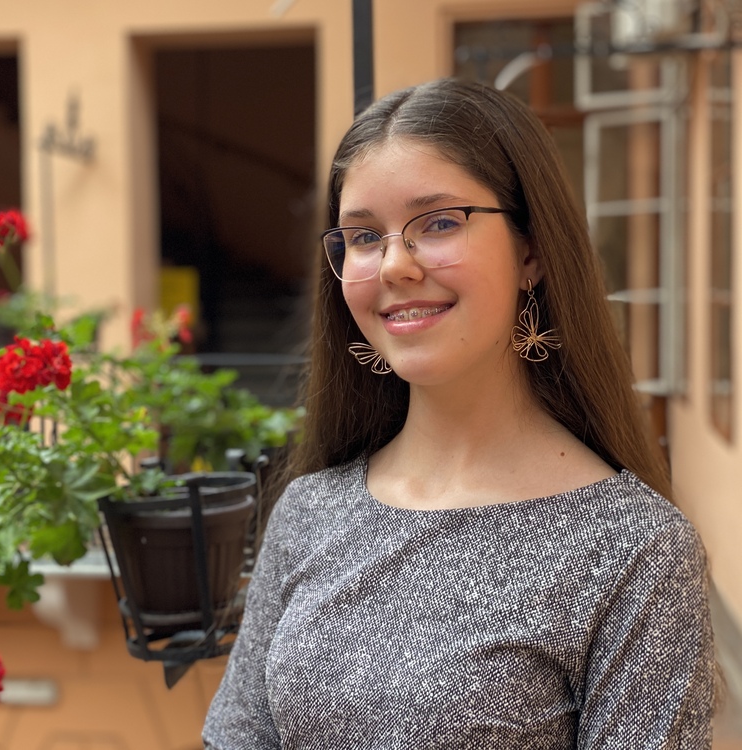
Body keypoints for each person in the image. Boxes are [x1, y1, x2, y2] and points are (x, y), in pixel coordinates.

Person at [202, 78, 715, 749]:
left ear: (531, 250)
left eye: (439, 222)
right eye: (363, 236)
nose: (394, 265)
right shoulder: (309, 512)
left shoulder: (635, 549)